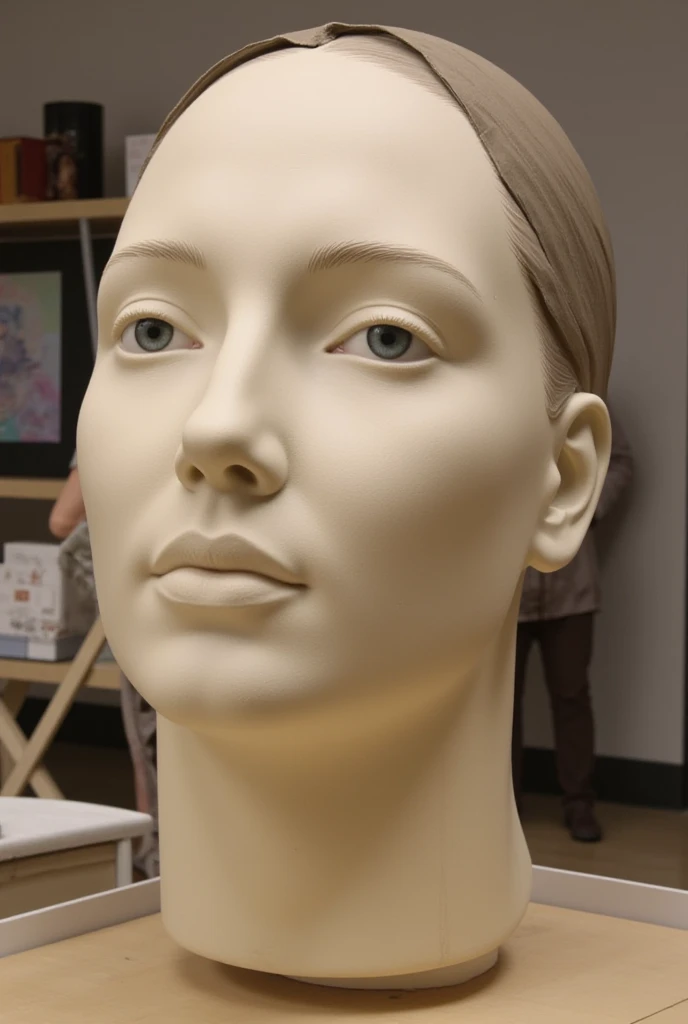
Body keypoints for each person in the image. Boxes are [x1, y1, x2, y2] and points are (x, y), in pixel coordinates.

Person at [512, 408, 633, 842]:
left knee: (571, 695)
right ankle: (504, 807)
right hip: (507, 586)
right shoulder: (505, 388)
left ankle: (579, 802)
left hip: (572, 588)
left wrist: (588, 513)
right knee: (501, 702)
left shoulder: (589, 396)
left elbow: (618, 460)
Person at [49, 453, 159, 877]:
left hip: (155, 607)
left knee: (154, 748)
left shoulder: (127, 411)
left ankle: (158, 873)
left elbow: (63, 519)